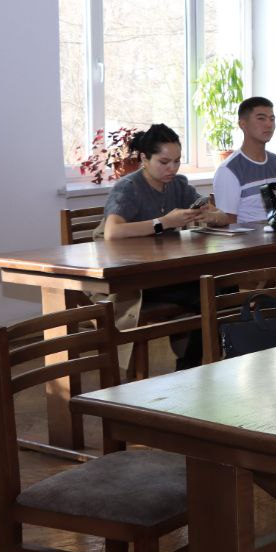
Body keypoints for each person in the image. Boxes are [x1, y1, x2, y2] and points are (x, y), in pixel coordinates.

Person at [98, 124, 229, 369]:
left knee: (225, 284)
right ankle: (190, 366)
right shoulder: (129, 187)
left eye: (177, 161)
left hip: (168, 270)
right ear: (144, 159)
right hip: (136, 279)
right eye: (164, 162)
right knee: (207, 292)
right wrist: (164, 222)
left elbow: (221, 216)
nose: (172, 168)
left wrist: (211, 216)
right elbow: (112, 232)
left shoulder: (177, 184)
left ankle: (204, 361)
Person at [213, 97, 276, 224]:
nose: (269, 124)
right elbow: (228, 224)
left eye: (272, 119)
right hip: (249, 237)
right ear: (243, 124)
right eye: (261, 118)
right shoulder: (229, 170)